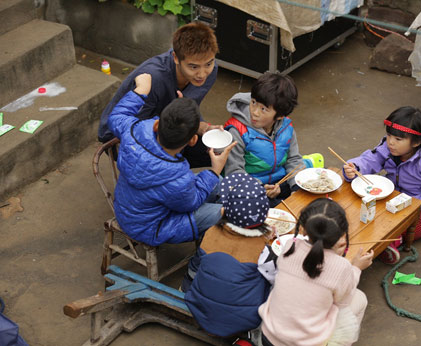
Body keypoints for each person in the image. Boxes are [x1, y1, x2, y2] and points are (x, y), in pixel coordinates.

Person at [107, 73, 235, 246]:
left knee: (222, 185)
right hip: (154, 227)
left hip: (128, 211)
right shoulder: (177, 177)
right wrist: (215, 169)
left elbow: (115, 116)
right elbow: (191, 203)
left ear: (157, 124)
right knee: (227, 210)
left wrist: (141, 91)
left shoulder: (133, 131)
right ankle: (200, 263)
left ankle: (212, 242)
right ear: (193, 140)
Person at [343, 106, 421, 264]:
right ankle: (376, 238)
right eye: (389, 135)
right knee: (359, 207)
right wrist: (355, 167)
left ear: (417, 142)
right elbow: (371, 159)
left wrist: (410, 204)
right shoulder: (387, 147)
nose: (391, 142)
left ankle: (393, 241)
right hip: (390, 194)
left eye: (398, 139)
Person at [99, 22, 220, 168]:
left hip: (169, 128)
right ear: (176, 58)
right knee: (171, 174)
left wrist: (202, 127)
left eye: (208, 63)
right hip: (121, 136)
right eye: (193, 67)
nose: (202, 74)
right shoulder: (154, 78)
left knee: (219, 150)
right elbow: (131, 129)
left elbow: (189, 105)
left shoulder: (210, 72)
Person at [259, 198, 374, 346]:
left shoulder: (289, 246)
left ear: (303, 229)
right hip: (306, 343)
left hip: (269, 336)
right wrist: (357, 268)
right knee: (360, 298)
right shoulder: (342, 266)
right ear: (341, 236)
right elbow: (342, 302)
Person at [183, 173, 275, 338]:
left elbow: (194, 269)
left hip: (200, 311)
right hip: (244, 321)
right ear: (266, 216)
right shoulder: (263, 248)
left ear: (224, 210)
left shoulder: (211, 232)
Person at [224, 72, 323, 207]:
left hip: (279, 182)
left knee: (309, 190)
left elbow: (293, 159)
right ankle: (309, 163)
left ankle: (307, 165)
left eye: (263, 109)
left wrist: (296, 188)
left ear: (280, 116)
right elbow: (235, 172)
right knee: (249, 207)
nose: (255, 112)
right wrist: (260, 188)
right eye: (253, 102)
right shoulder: (237, 132)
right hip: (252, 185)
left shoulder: (286, 128)